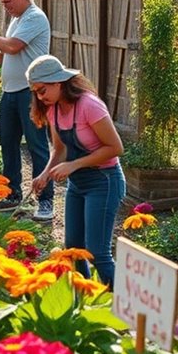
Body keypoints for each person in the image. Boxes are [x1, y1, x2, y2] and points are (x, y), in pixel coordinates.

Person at [28, 55, 125, 285]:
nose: (39, 97)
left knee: (97, 252)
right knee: (73, 249)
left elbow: (115, 148)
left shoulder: (88, 105)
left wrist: (75, 164)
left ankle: (123, 310)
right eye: (35, 92)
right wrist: (44, 175)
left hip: (104, 180)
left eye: (42, 90)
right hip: (78, 184)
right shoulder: (53, 109)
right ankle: (85, 300)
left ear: (58, 82)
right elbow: (59, 149)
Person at [0, 0, 54, 221]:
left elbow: (12, 47)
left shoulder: (34, 17)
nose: (6, 7)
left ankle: (45, 201)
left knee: (37, 146)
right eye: (3, 3)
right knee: (7, 143)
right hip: (10, 91)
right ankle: (13, 194)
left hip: (31, 92)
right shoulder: (16, 20)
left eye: (9, 2)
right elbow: (6, 58)